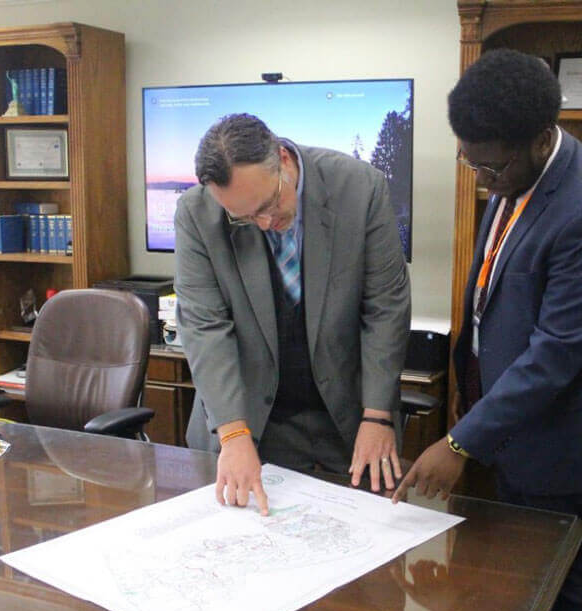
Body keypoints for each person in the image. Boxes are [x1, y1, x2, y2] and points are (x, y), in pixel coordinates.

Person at [394, 49, 582, 611]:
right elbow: (495, 299)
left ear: (542, 139)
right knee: (522, 571)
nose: (482, 178)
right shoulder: (514, 175)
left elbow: (555, 355)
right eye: (470, 161)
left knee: (570, 583)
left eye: (492, 165)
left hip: (572, 432)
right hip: (515, 421)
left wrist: (460, 441)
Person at [175, 113, 411, 515]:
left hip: (347, 419)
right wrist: (233, 434)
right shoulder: (196, 214)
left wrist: (377, 416)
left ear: (283, 159)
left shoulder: (359, 188)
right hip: (246, 420)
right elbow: (205, 327)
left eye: (269, 205)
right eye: (245, 218)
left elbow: (385, 306)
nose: (265, 224)